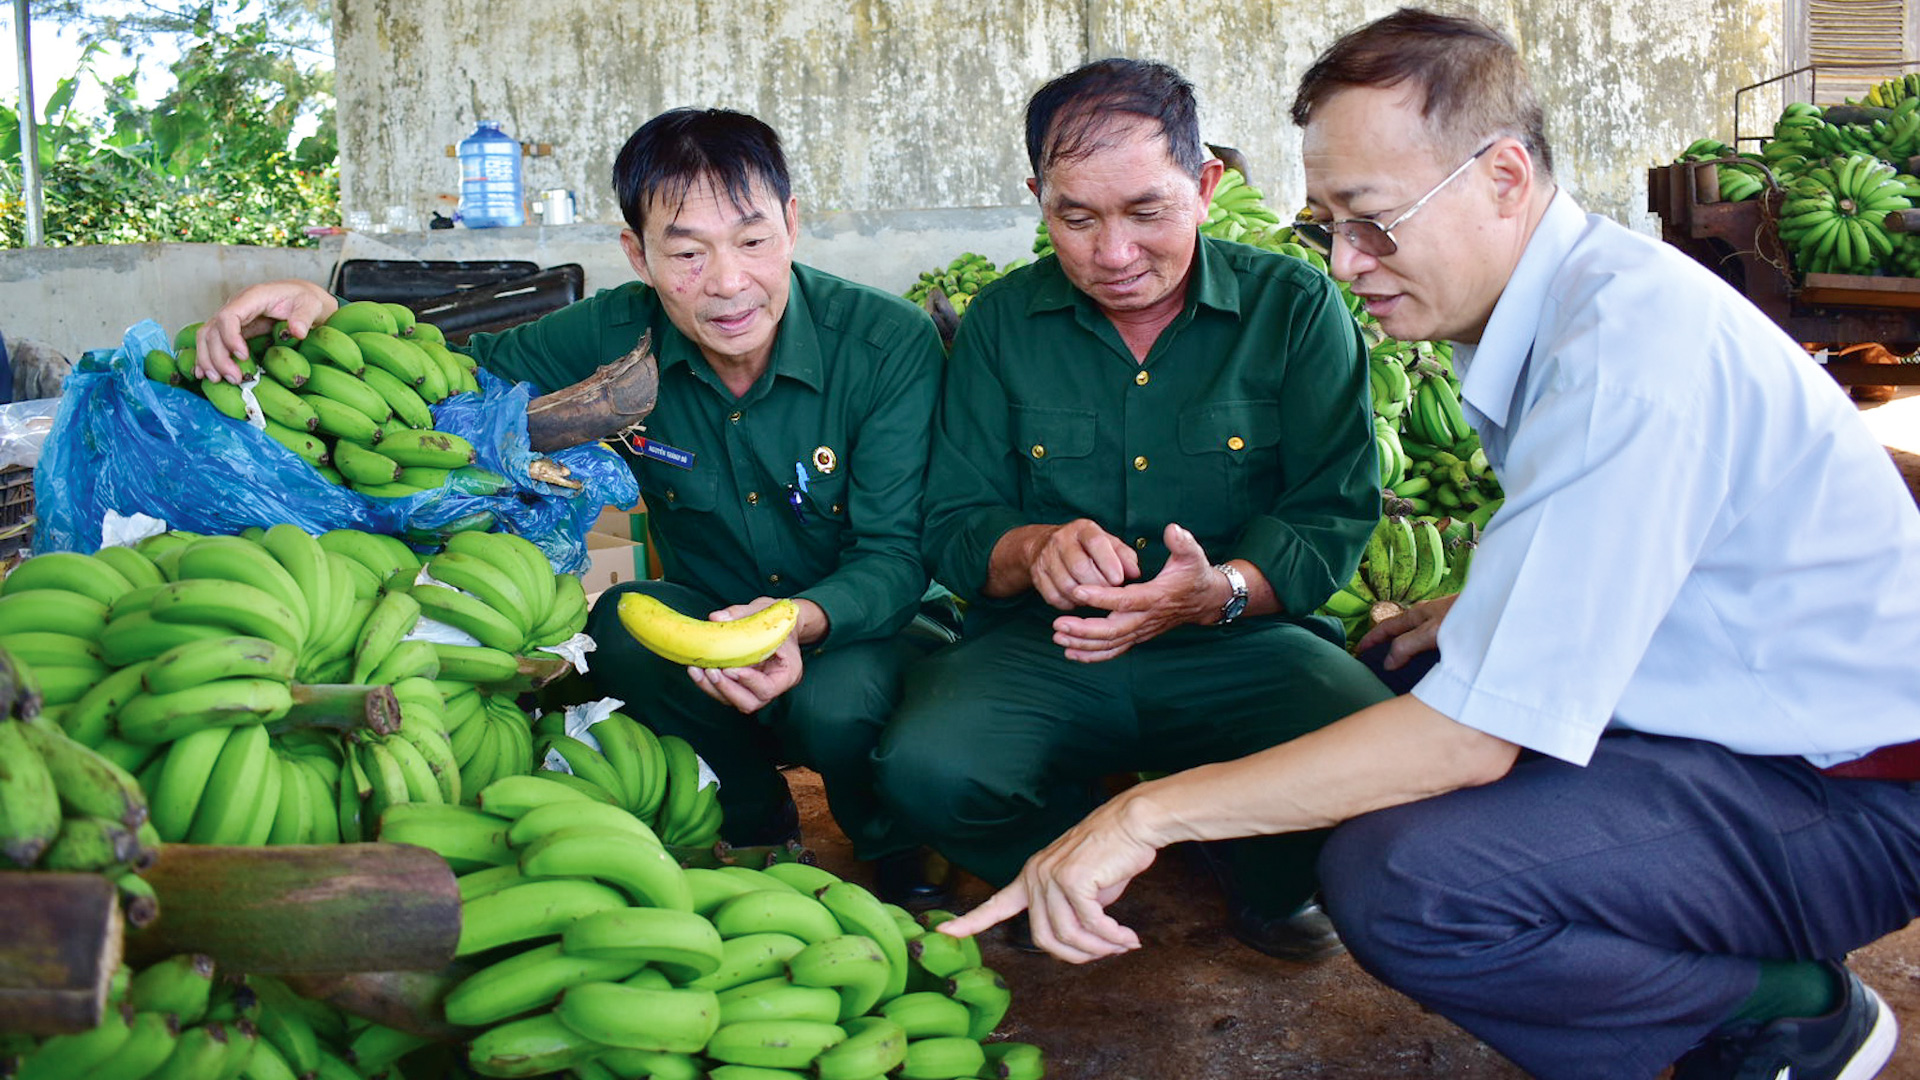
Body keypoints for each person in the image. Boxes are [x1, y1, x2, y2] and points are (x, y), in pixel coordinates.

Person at [938, 9, 1920, 1079]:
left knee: (1406, 877)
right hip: (1751, 734)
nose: (1351, 261)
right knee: (1403, 667)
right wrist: (1484, 608)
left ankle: (1785, 1009)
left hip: (1851, 792)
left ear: (1503, 176)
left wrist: (1144, 817)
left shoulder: (1626, 360)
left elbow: (1455, 726)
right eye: (1331, 226)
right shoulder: (1560, 312)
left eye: (1372, 221)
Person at [196, 108, 953, 906]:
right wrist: (322, 310)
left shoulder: (884, 343)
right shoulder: (614, 334)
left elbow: (899, 555)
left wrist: (798, 620)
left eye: (753, 240)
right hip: (709, 616)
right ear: (639, 254)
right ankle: (757, 821)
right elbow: (445, 372)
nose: (728, 282)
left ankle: (895, 843)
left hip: (869, 624)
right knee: (620, 624)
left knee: (839, 701)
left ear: (793, 226)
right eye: (688, 252)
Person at [873, 58, 1395, 960]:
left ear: (1204, 187)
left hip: (1240, 642)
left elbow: (1330, 518)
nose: (1113, 255)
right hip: (1047, 648)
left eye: (1146, 211)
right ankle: (1068, 862)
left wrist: (1219, 589)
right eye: (1075, 217)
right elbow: (955, 523)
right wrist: (1032, 547)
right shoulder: (1001, 323)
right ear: (1038, 197)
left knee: (1375, 754)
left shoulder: (1295, 308)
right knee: (926, 765)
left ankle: (1264, 872)